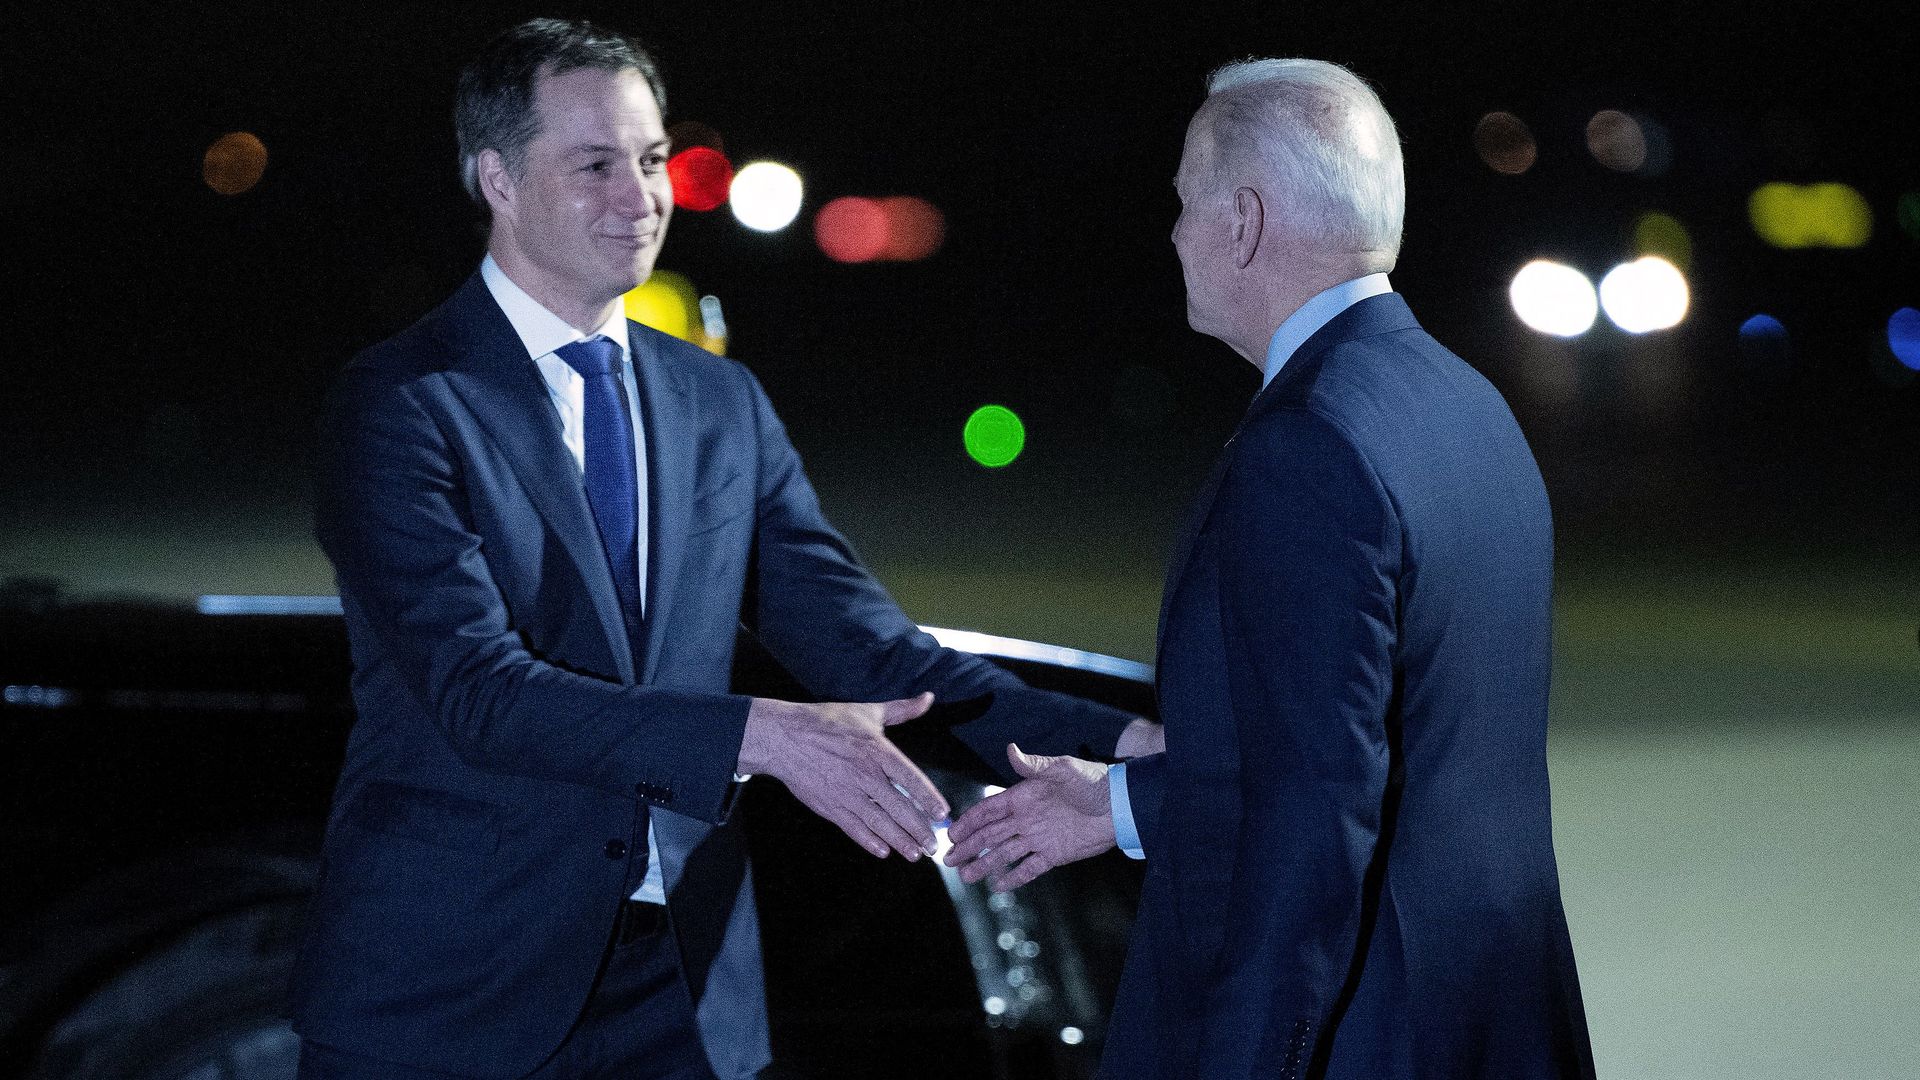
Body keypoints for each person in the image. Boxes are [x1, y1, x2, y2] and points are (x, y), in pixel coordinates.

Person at [287, 17, 1157, 1080]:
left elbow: (878, 660)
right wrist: (765, 736)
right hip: (449, 991)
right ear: (498, 180)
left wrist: (1139, 753)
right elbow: (478, 691)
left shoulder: (717, 402)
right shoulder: (401, 402)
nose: (640, 195)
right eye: (595, 164)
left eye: (651, 159)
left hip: (680, 997)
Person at [946, 59, 1596, 1078]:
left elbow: (1316, 816)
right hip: (1487, 1021)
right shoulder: (1465, 403)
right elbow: (1376, 756)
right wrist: (1123, 805)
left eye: (1185, 201)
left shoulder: (1311, 445)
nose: (1174, 233)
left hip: (1361, 1033)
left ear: (1243, 221)